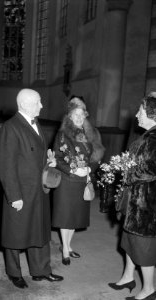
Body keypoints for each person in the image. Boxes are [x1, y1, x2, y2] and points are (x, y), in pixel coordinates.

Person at [110, 93, 156, 300]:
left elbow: (150, 170)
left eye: (140, 111)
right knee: (130, 241)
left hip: (150, 204)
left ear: (150, 114)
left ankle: (149, 289)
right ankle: (128, 276)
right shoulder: (151, 134)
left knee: (145, 248)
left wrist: (124, 169)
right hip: (138, 201)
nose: (137, 114)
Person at [0, 88, 63, 289]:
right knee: (15, 233)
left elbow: (34, 155)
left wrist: (48, 162)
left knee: (40, 230)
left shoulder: (35, 123)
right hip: (21, 192)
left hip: (39, 190)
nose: (42, 106)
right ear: (25, 104)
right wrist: (14, 196)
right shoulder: (11, 126)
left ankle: (41, 270)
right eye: (38, 102)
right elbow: (6, 165)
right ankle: (14, 273)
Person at [52, 98, 103, 265]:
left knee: (75, 216)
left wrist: (90, 169)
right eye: (76, 114)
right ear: (69, 116)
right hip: (68, 180)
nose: (79, 118)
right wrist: (72, 169)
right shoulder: (62, 134)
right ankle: (65, 248)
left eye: (82, 114)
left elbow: (97, 156)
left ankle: (68, 245)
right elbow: (58, 158)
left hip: (83, 181)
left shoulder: (92, 134)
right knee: (65, 216)